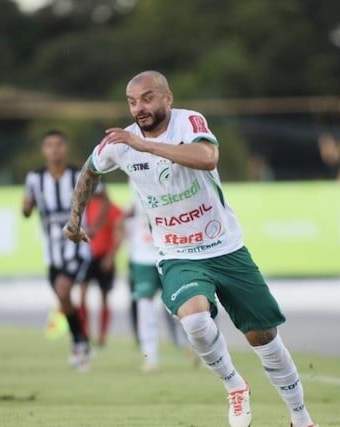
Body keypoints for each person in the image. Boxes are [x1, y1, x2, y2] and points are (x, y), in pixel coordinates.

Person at [63, 71, 318, 427]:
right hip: (177, 254)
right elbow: (89, 172)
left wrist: (145, 146)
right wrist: (75, 219)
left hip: (225, 247)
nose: (139, 108)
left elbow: (208, 156)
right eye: (132, 102)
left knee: (264, 338)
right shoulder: (120, 142)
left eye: (147, 98)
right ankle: (234, 385)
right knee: (195, 321)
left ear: (168, 98)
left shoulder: (188, 122)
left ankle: (300, 417)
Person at [22, 129, 91, 370]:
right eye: (49, 145)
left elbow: (102, 199)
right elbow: (26, 209)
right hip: (51, 253)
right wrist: (26, 207)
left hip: (76, 249)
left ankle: (80, 343)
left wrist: (94, 227)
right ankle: (81, 340)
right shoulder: (35, 178)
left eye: (58, 144)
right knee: (63, 298)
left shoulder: (78, 174)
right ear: (44, 150)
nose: (54, 150)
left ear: (66, 147)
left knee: (63, 290)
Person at [125, 184, 198, 372]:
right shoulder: (134, 181)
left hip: (169, 254)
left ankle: (196, 345)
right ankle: (150, 357)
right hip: (142, 256)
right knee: (145, 307)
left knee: (181, 304)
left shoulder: (171, 180)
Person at [78, 185, 124, 347]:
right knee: (82, 294)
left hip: (104, 256)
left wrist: (110, 257)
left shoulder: (113, 210)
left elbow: (119, 235)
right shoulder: (87, 208)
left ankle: (102, 334)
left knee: (103, 296)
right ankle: (85, 331)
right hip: (89, 256)